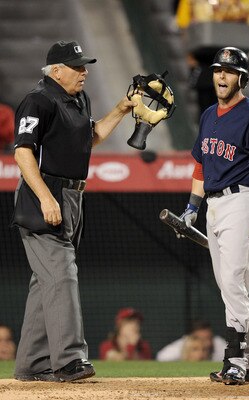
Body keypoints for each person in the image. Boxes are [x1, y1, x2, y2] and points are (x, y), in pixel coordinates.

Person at [11, 40, 136, 382]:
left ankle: (33, 365)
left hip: (72, 196)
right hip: (45, 193)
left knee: (46, 282)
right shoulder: (38, 100)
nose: (84, 71)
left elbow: (90, 137)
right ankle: (68, 360)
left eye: (85, 65)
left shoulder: (78, 98)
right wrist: (46, 198)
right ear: (56, 70)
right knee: (62, 274)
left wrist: (122, 108)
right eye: (77, 66)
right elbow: (23, 153)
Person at [177, 46, 249, 385]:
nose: (221, 76)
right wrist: (192, 207)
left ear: (242, 77)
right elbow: (200, 165)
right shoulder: (209, 114)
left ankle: (235, 358)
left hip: (245, 202)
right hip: (214, 204)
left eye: (228, 71)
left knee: (234, 283)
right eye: (217, 71)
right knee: (233, 287)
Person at [156, 320, 226, 362]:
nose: (207, 343)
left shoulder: (218, 344)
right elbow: (161, 357)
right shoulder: (184, 344)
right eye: (202, 339)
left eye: (209, 338)